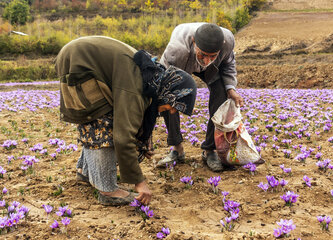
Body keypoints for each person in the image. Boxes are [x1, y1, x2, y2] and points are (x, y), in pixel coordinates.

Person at [55, 36, 197, 206]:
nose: (172, 111)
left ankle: (85, 171)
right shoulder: (136, 87)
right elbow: (123, 136)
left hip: (79, 57)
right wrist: (139, 182)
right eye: (173, 106)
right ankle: (107, 189)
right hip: (78, 63)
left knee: (106, 119)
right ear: (169, 92)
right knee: (103, 122)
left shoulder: (151, 78)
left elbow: (139, 118)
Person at [156, 23, 244, 171]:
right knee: (167, 97)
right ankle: (177, 149)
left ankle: (209, 150)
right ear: (194, 42)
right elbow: (163, 77)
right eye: (203, 54)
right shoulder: (177, 50)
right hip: (183, 63)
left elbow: (228, 64)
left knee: (221, 94)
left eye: (212, 56)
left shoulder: (227, 41)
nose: (207, 60)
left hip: (212, 72)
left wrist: (231, 89)